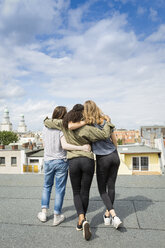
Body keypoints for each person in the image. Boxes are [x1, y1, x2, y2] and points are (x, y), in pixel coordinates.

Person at [44, 104, 114, 240]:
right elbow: (105, 134)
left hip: (73, 162)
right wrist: (108, 122)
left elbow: (48, 121)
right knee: (85, 192)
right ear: (83, 115)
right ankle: (83, 219)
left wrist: (47, 120)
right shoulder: (87, 128)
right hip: (87, 161)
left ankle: (81, 219)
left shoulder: (64, 124)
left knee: (76, 192)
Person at [68, 100, 122, 229]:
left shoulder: (87, 124)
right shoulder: (105, 120)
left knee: (102, 190)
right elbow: (114, 139)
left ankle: (113, 215)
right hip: (114, 155)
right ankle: (107, 215)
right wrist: (115, 152)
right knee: (112, 186)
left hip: (102, 158)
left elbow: (71, 127)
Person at [38, 106, 91, 226]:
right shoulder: (62, 128)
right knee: (59, 189)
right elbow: (65, 146)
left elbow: (44, 143)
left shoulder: (45, 127)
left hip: (48, 161)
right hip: (61, 161)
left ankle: (43, 213)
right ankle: (57, 216)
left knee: (47, 186)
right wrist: (82, 147)